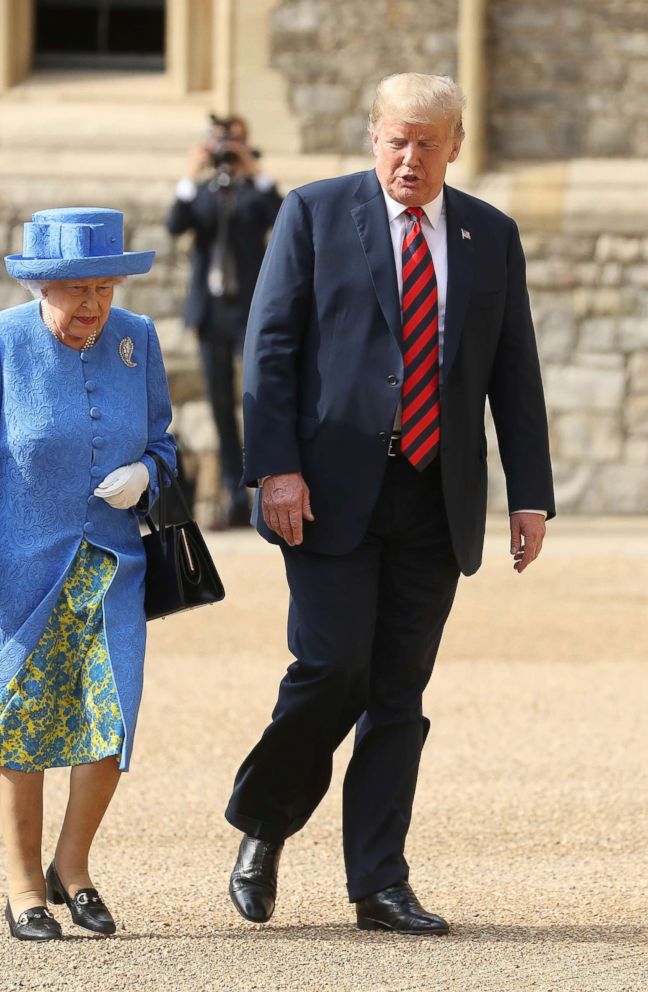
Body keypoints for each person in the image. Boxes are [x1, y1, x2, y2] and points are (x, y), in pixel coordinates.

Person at [225, 74, 555, 935]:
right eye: (395, 139)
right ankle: (265, 822)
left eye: (428, 141)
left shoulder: (492, 234)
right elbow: (269, 349)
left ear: (456, 144)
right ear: (374, 137)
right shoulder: (314, 213)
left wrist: (531, 495)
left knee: (399, 693)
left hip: (436, 496)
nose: (409, 158)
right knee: (333, 667)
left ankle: (379, 882)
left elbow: (514, 371)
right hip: (327, 492)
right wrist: (275, 470)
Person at [0, 207, 177, 941]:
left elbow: (164, 445)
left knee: (112, 718)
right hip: (16, 574)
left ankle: (75, 867)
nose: (94, 306)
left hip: (112, 569)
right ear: (41, 288)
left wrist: (147, 473)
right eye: (77, 291)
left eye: (104, 288)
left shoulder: (139, 341)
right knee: (22, 728)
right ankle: (22, 887)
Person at [166, 115, 282, 528]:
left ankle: (262, 488)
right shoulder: (202, 193)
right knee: (219, 404)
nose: (226, 150)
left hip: (250, 309)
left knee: (258, 397)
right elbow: (175, 224)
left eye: (234, 143)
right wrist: (189, 173)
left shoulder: (255, 192)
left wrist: (254, 170)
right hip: (211, 311)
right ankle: (233, 490)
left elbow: (280, 217)